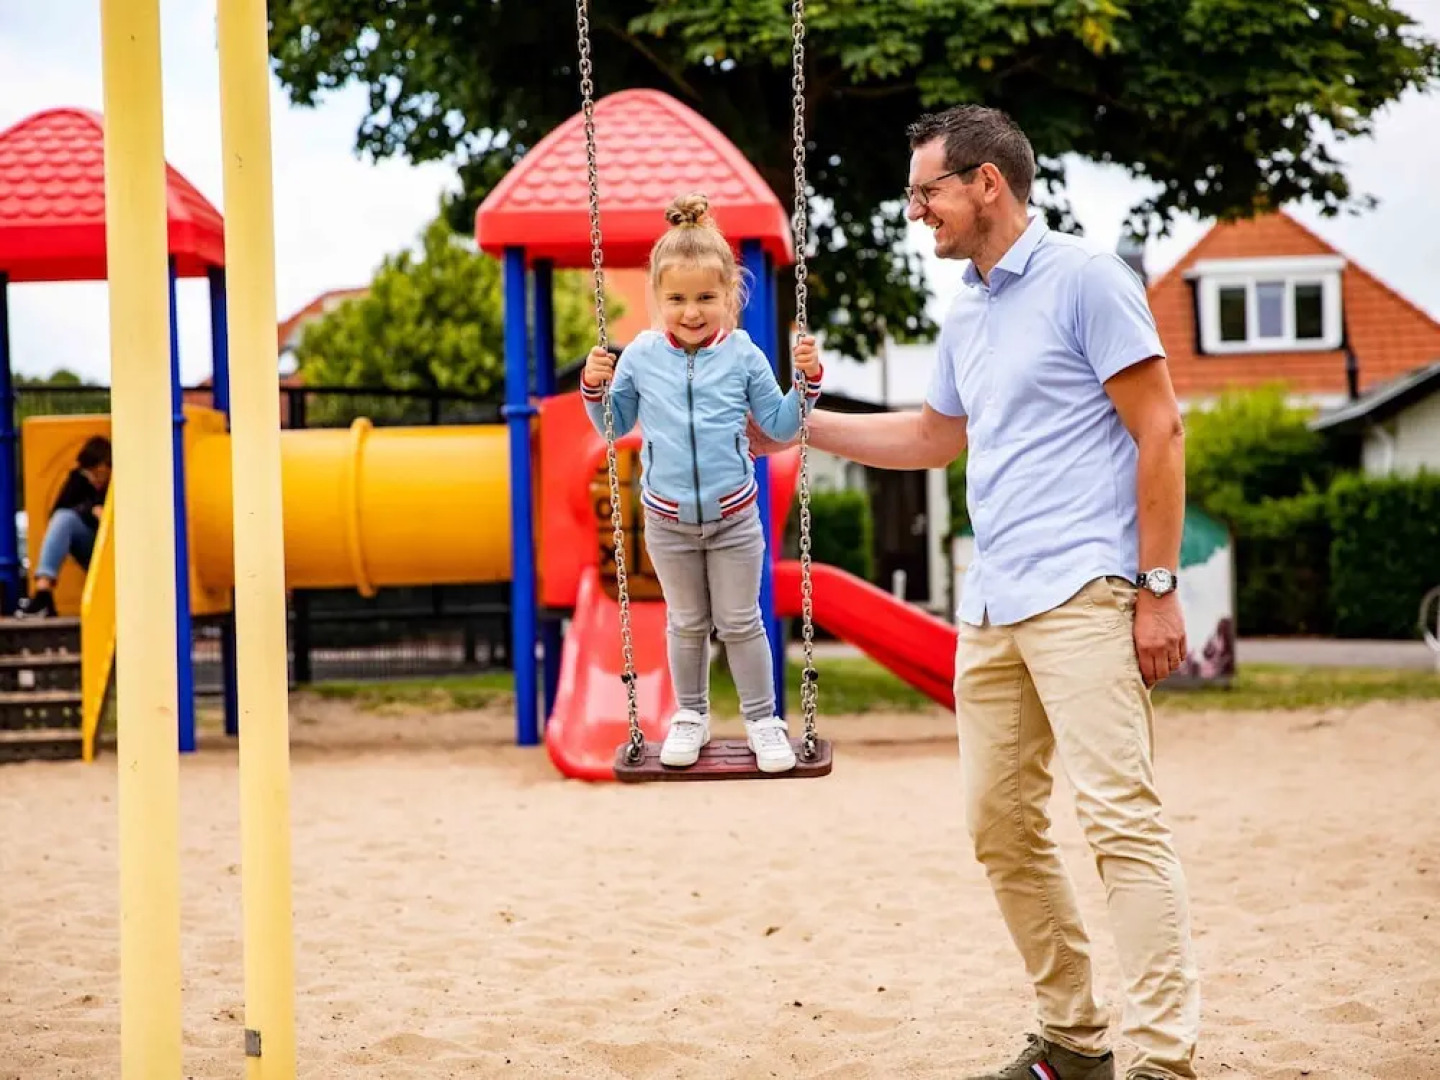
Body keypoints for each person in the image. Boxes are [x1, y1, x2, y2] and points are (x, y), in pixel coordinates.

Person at [748, 106, 1199, 1079]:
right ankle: (1074, 1042)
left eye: (927, 191)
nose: (916, 212)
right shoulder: (969, 309)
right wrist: (798, 429)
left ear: (986, 182)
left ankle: (1166, 1062)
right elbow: (934, 437)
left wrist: (1157, 587)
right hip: (991, 606)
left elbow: (1160, 428)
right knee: (998, 828)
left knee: (1121, 824)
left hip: (1088, 588)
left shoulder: (1087, 279)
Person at [581, 192, 824, 774]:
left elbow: (781, 425)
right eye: (678, 299)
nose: (692, 311)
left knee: (741, 621)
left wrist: (806, 383)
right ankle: (689, 715)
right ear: (658, 299)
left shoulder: (743, 355)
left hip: (735, 518)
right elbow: (613, 426)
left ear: (729, 299)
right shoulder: (639, 355)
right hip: (666, 520)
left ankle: (764, 720)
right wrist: (595, 387)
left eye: (707, 298)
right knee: (686, 623)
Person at [17, 435, 112, 618]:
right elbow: (59, 514)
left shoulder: (120, 485)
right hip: (92, 548)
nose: (95, 480)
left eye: (99, 474)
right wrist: (90, 510)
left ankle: (43, 597)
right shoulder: (79, 482)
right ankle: (43, 591)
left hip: (116, 552)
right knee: (64, 519)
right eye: (90, 474)